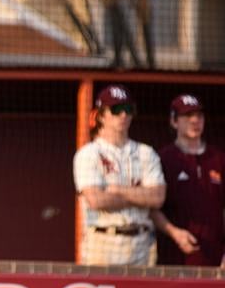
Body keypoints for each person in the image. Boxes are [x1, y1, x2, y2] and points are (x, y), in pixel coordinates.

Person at [72, 84, 165, 266]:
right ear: (101, 115)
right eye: (116, 109)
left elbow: (157, 198)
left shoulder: (146, 152)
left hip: (141, 241)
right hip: (102, 240)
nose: (123, 115)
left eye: (128, 109)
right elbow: (97, 201)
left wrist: (117, 191)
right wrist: (139, 195)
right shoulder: (89, 153)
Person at [151, 94, 225, 267]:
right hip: (174, 258)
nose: (195, 121)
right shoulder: (162, 158)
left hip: (215, 259)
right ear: (174, 121)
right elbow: (151, 209)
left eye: (199, 116)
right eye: (187, 116)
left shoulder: (219, 159)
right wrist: (175, 233)